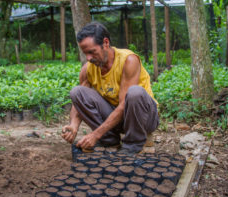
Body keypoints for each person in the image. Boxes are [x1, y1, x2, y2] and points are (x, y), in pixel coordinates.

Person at [61, 22, 159, 154]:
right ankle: (109, 140)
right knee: (77, 92)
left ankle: (133, 145)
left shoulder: (128, 60)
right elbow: (78, 103)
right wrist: (73, 125)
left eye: (92, 52)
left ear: (105, 43)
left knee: (134, 93)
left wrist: (95, 134)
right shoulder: (88, 69)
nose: (88, 58)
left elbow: (124, 105)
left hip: (144, 117)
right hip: (118, 119)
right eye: (85, 53)